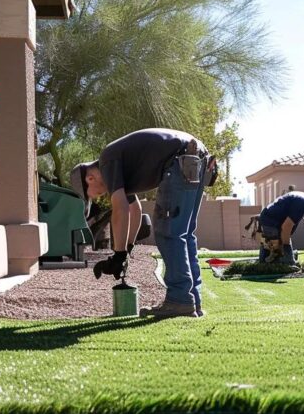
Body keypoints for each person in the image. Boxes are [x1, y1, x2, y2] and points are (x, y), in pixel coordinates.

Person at [70, 128, 216, 318]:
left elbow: (120, 208)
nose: (99, 197)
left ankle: (180, 300)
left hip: (180, 160)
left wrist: (118, 255)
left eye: (94, 194)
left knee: (169, 232)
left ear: (90, 178)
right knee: (184, 234)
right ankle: (191, 301)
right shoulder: (118, 169)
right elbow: (134, 209)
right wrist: (127, 248)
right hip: (197, 157)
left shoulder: (107, 160)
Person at [252, 174, 304, 265]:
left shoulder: (299, 196)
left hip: (268, 217)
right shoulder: (303, 203)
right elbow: (286, 227)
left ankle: (267, 260)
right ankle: (280, 261)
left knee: (277, 243)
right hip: (271, 221)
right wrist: (287, 250)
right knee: (276, 246)